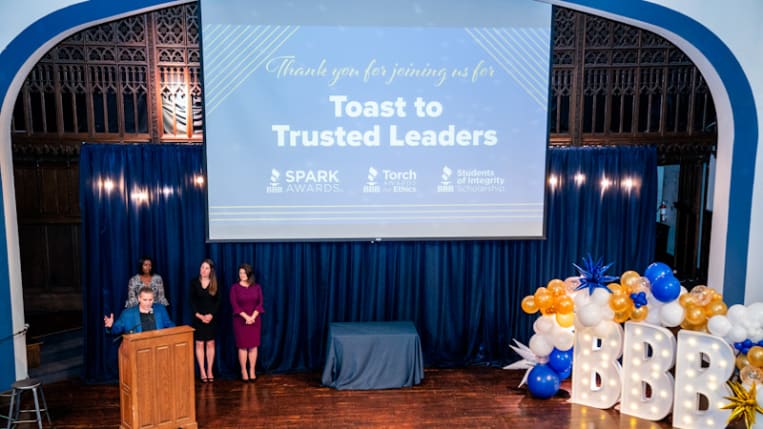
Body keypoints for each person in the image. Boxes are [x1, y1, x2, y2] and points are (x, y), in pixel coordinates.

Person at [230, 263, 264, 382]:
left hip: (255, 320)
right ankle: (244, 370)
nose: (242, 275)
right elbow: (235, 305)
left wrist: (253, 317)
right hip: (240, 321)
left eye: (244, 273)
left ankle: (252, 370)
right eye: (240, 273)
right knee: (243, 347)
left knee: (253, 346)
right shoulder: (234, 288)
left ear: (249, 274)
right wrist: (246, 317)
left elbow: (260, 304)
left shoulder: (257, 287)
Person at [189, 258, 221, 383]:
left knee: (210, 343)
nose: (203, 270)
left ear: (211, 270)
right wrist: (199, 316)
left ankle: (209, 370)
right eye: (202, 267)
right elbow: (191, 302)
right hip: (198, 318)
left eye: (206, 268)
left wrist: (211, 315)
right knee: (200, 343)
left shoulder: (215, 283)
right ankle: (202, 370)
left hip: (211, 319)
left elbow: (218, 301)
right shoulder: (194, 283)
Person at [104, 286, 175, 334]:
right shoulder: (127, 314)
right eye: (145, 300)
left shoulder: (160, 309)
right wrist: (110, 327)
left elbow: (170, 326)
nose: (148, 303)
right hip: (137, 351)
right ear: (139, 298)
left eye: (150, 300)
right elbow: (116, 330)